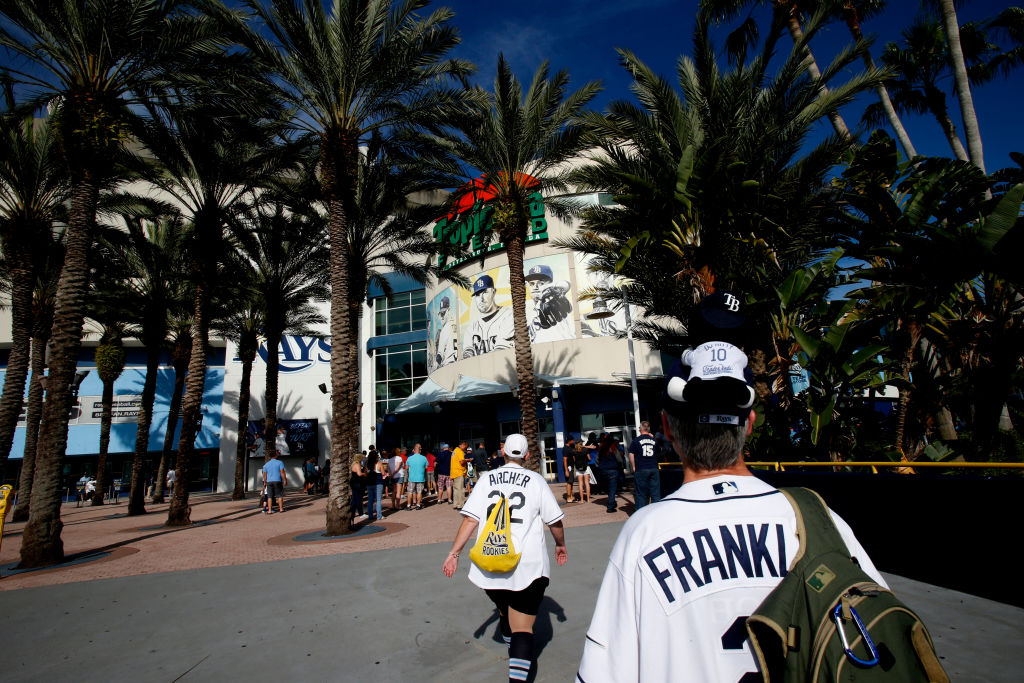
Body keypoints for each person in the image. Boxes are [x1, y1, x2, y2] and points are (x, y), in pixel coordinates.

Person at [577, 341, 887, 682]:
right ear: (750, 423)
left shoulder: (643, 534)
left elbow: (601, 673)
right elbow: (883, 633)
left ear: (667, 428)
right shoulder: (821, 523)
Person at [442, 433, 568, 683]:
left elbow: (470, 519)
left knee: (504, 608)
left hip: (490, 562)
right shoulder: (535, 480)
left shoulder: (487, 479)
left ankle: (513, 648)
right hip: (527, 564)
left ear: (503, 453)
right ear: (528, 455)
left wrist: (453, 553)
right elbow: (554, 520)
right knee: (523, 626)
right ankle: (517, 670)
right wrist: (560, 544)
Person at [462, 274, 514, 358]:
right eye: (478, 295)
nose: (481, 299)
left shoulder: (508, 316)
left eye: (485, 292)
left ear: (494, 292)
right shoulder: (471, 329)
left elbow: (500, 353)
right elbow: (467, 357)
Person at [524, 263, 574, 343]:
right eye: (532, 284)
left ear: (550, 284)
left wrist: (552, 289)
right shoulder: (529, 313)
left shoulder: (555, 301)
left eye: (541, 283)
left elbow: (565, 285)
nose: (535, 287)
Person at [629, 421, 660, 510]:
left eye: (639, 427)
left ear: (641, 429)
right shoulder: (654, 440)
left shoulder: (636, 440)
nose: (638, 429)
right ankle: (655, 513)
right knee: (655, 493)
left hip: (641, 468)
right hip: (653, 468)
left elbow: (631, 454)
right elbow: (659, 451)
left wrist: (633, 466)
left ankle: (640, 514)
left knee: (640, 494)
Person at [596, 435, 621, 513]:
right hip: (612, 470)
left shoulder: (601, 449)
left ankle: (612, 502)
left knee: (608, 488)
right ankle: (610, 506)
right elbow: (619, 459)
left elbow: (597, 461)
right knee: (612, 488)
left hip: (603, 470)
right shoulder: (613, 448)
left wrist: (600, 467)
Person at [434, 295, 459, 367]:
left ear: (448, 310)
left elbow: (439, 355)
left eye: (443, 313)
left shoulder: (444, 330)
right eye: (440, 314)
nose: (441, 317)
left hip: (448, 365)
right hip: (457, 363)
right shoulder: (456, 324)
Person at [405, 443, 428, 509]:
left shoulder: (409, 458)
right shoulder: (424, 458)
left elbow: (406, 467)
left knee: (410, 492)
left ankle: (409, 505)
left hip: (411, 478)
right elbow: (426, 467)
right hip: (420, 478)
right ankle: (418, 505)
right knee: (419, 492)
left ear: (414, 451)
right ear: (420, 451)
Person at [450, 440, 471, 510]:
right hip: (459, 472)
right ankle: (460, 505)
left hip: (453, 473)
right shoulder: (460, 452)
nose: (465, 448)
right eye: (465, 446)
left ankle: (455, 504)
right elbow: (462, 462)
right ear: (462, 445)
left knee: (455, 490)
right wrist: (467, 460)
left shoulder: (454, 451)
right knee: (461, 490)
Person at [365, 450, 384, 521]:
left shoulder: (367, 464)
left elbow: (365, 474)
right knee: (378, 500)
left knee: (370, 500)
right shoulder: (379, 463)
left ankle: (370, 515)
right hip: (378, 483)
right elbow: (383, 473)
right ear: (376, 456)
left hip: (369, 483)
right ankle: (379, 516)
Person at [573, 440, 591, 504]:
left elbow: (574, 460)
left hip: (578, 469)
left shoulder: (574, 451)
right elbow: (589, 458)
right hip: (586, 467)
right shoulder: (585, 450)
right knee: (587, 483)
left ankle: (582, 500)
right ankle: (588, 499)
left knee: (580, 484)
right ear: (582, 443)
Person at [350, 454, 366, 518]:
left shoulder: (353, 464)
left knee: (354, 498)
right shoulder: (358, 464)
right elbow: (359, 474)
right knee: (358, 498)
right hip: (357, 482)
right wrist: (364, 474)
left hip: (353, 482)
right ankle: (361, 513)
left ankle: (352, 513)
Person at [563, 435, 577, 503]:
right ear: (569, 441)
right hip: (568, 467)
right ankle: (568, 498)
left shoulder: (570, 447)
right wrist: (566, 470)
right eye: (572, 440)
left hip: (571, 466)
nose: (573, 441)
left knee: (571, 482)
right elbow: (565, 460)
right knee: (569, 482)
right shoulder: (565, 448)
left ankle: (571, 496)